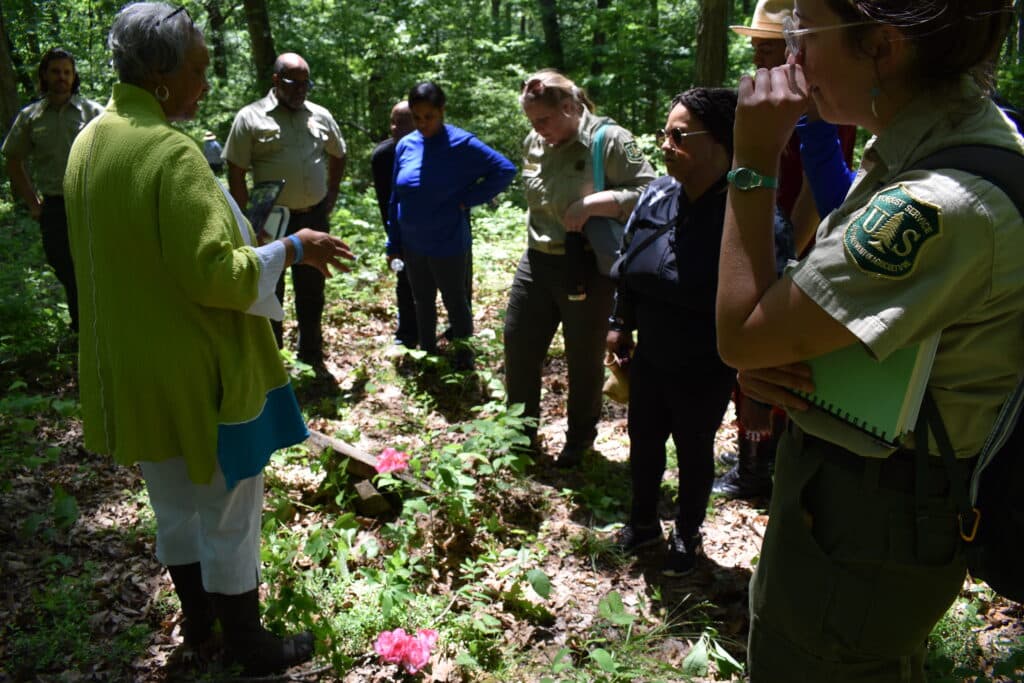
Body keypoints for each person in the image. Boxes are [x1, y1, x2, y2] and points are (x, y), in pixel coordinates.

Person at [715, 1, 1022, 680]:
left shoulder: (936, 200)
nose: (789, 59)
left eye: (804, 34)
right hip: (860, 502)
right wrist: (788, 361)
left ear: (882, 46)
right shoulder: (926, 148)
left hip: (863, 525)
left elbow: (739, 334)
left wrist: (752, 157)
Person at [63, 3, 354, 676]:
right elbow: (215, 276)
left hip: (130, 366)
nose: (205, 79)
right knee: (229, 509)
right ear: (160, 76)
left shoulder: (90, 140)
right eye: (196, 68)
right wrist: (291, 247)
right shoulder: (171, 152)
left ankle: (199, 621)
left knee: (172, 504)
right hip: (199, 369)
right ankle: (249, 644)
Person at [716, 0, 858, 500]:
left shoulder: (819, 104)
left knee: (771, 360)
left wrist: (781, 265)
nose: (760, 58)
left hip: (792, 250)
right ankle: (752, 455)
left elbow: (817, 196)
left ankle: (764, 463)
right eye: (756, 47)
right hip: (761, 236)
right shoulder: (766, 97)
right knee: (750, 371)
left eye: (770, 47)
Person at [607, 88, 738, 576]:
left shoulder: (745, 210)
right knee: (643, 441)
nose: (664, 144)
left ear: (720, 144)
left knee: (694, 446)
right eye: (665, 133)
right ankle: (642, 523)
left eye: (678, 135)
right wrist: (620, 323)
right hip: (652, 352)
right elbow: (627, 261)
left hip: (706, 359)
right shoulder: (658, 194)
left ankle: (686, 532)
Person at [506, 69, 655, 467]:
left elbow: (651, 192)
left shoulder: (612, 141)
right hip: (537, 260)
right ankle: (519, 437)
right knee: (519, 346)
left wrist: (595, 203)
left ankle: (579, 441)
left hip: (588, 264)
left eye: (545, 120)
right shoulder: (535, 142)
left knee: (584, 359)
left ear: (571, 107)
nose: (538, 129)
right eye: (532, 121)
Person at [223, 51, 347, 368]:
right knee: (269, 287)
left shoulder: (320, 115)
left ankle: (311, 355)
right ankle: (273, 360)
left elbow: (339, 153)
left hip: (313, 213)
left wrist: (331, 192)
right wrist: (246, 220)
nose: (301, 90)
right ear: (276, 80)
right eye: (294, 83)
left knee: (312, 286)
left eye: (306, 84)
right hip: (270, 218)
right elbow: (235, 169)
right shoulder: (250, 117)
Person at [387, 81, 515, 368]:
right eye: (416, 118)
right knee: (421, 301)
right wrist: (393, 243)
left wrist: (468, 199)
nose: (422, 124)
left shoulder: (461, 143)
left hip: (448, 242)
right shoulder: (406, 145)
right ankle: (428, 356)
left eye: (428, 117)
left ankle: (463, 361)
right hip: (412, 243)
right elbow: (396, 197)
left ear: (442, 111)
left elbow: (505, 170)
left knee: (456, 303)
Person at [2, 48, 104, 334]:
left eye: (67, 72)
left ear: (74, 77)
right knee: (65, 266)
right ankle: (82, 330)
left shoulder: (93, 112)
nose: (62, 77)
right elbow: (13, 160)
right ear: (45, 75)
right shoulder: (30, 116)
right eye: (56, 71)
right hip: (55, 207)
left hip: (90, 203)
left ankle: (101, 327)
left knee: (96, 266)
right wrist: (34, 204)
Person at [371, 100, 418, 347]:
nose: (394, 128)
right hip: (400, 232)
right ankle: (408, 333)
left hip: (440, 232)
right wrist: (394, 240)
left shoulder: (436, 149)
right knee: (404, 278)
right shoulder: (383, 156)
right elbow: (384, 202)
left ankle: (459, 336)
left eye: (402, 123)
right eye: (393, 122)